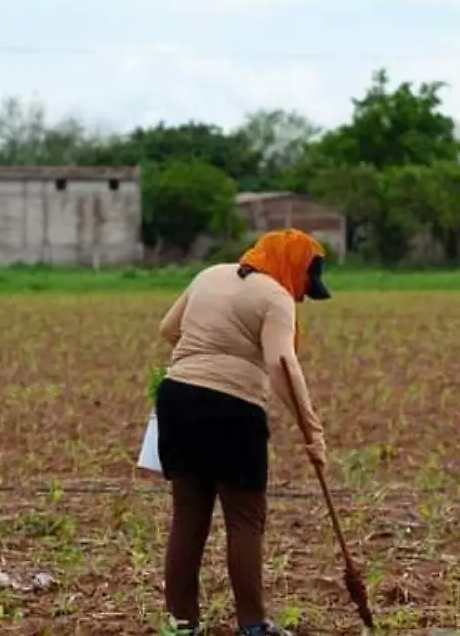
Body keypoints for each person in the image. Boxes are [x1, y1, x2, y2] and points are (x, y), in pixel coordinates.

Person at [154, 228, 331, 636]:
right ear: (292, 265)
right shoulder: (276, 298)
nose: (303, 295)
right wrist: (312, 431)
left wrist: (209, 352)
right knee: (244, 518)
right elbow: (282, 366)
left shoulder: (209, 275)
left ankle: (182, 625)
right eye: (306, 282)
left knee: (188, 516)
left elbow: (168, 328)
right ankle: (253, 626)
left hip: (177, 399)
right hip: (233, 410)